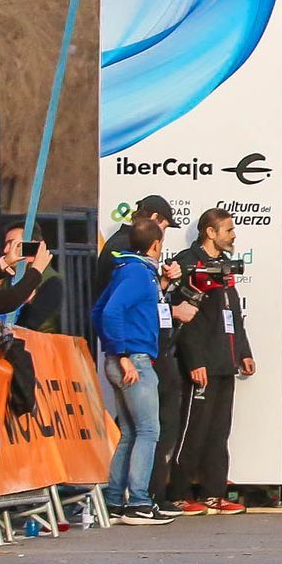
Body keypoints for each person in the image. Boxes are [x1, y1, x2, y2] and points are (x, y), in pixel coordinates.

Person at [168, 207, 254, 514]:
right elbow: (185, 320)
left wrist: (243, 351)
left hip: (224, 359)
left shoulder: (224, 265)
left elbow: (232, 312)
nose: (233, 235)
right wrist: (194, 361)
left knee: (219, 431)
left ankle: (213, 493)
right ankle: (176, 493)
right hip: (200, 361)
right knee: (193, 429)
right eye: (228, 230)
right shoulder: (188, 263)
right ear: (211, 232)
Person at [93, 212, 171, 525]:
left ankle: (114, 500)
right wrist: (122, 353)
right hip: (134, 362)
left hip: (122, 360)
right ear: (156, 245)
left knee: (129, 432)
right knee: (149, 431)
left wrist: (112, 351)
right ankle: (138, 501)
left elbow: (99, 310)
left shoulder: (125, 270)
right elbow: (110, 311)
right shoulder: (138, 274)